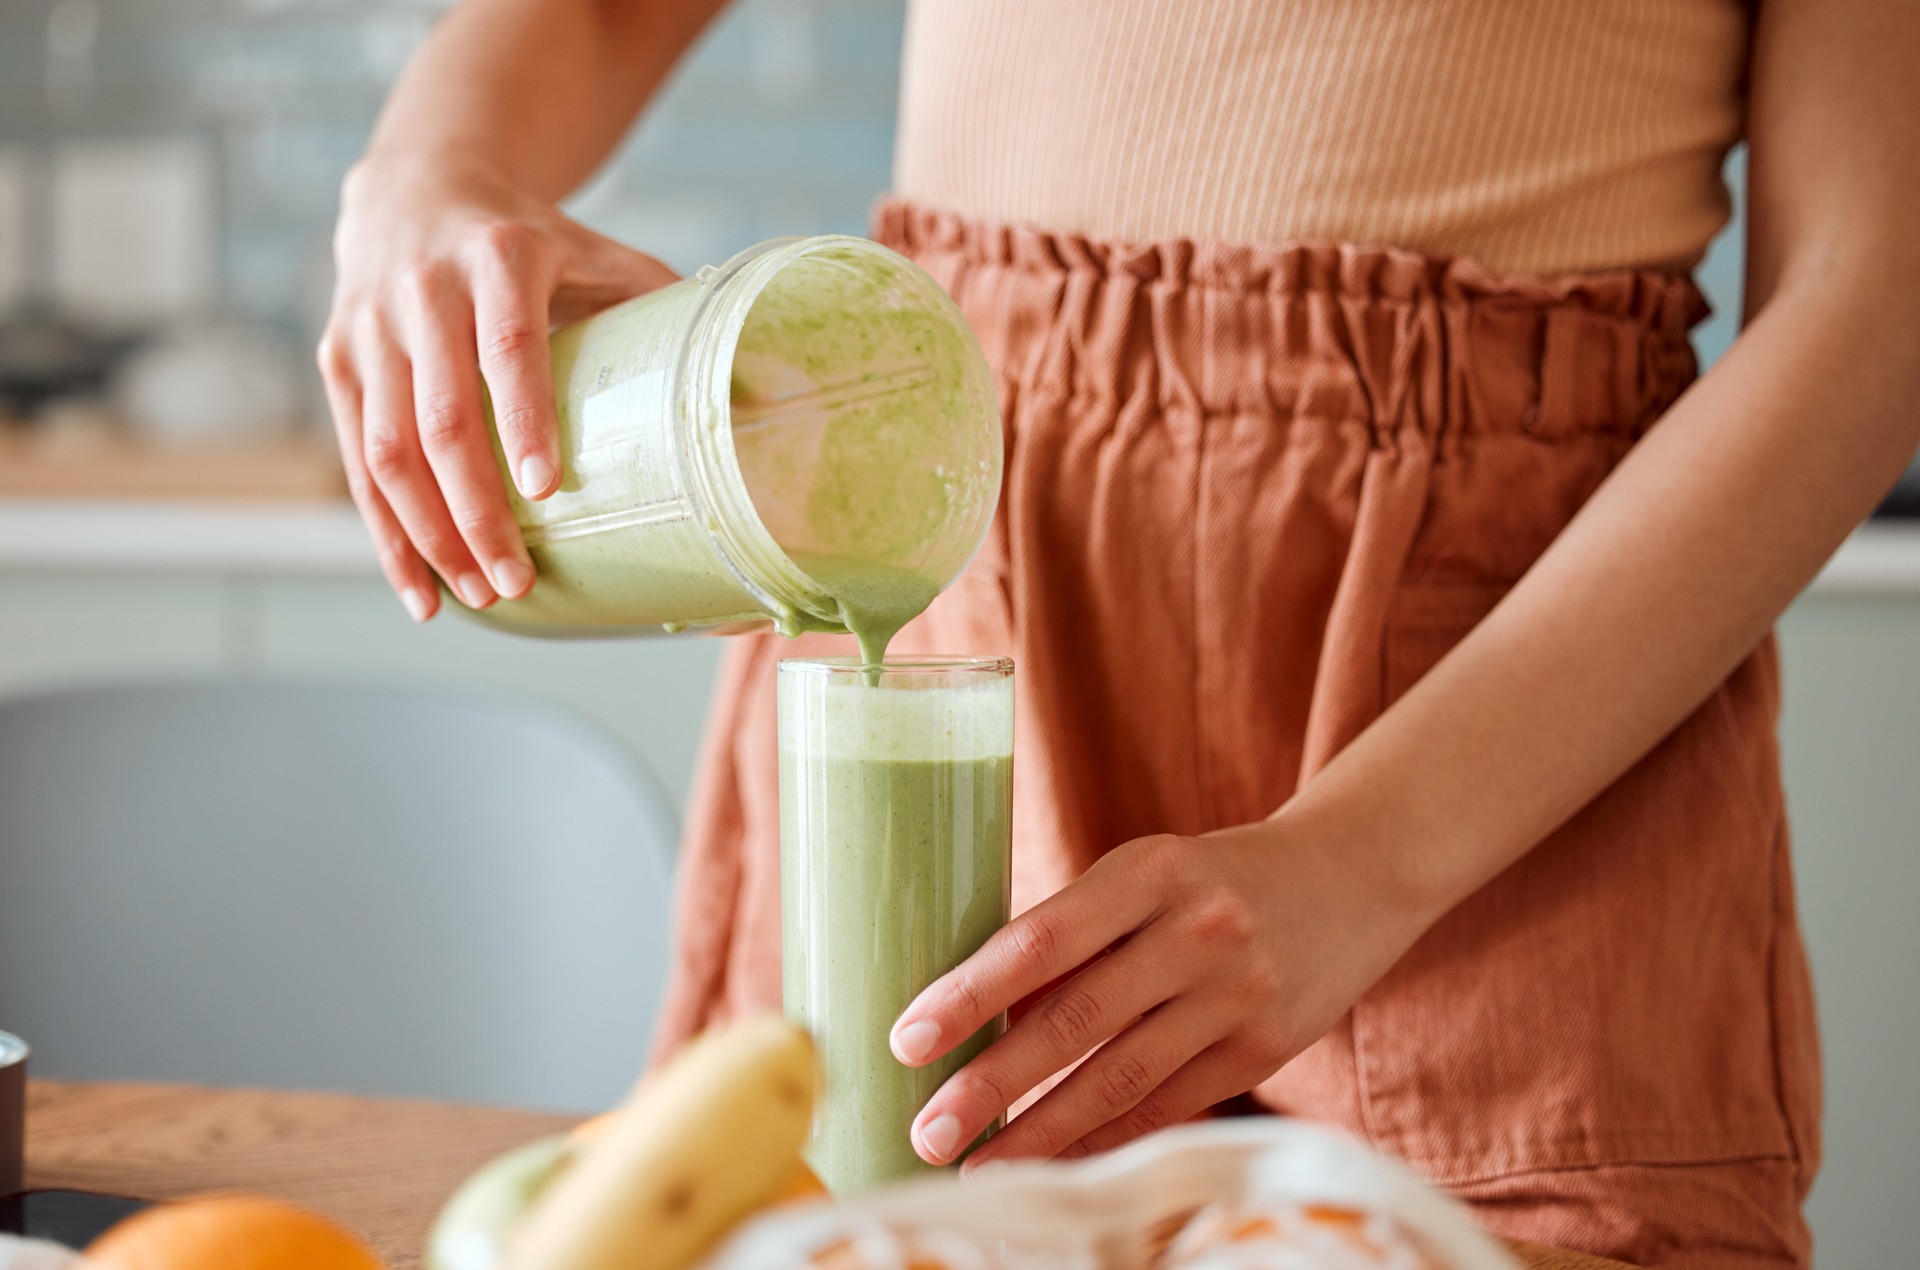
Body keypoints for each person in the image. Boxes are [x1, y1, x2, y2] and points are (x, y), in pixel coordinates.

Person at [319, 2, 1920, 1265]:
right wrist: (420, 174)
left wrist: (1364, 856)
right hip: (953, 556)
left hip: (1492, 748)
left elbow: (1873, 306)